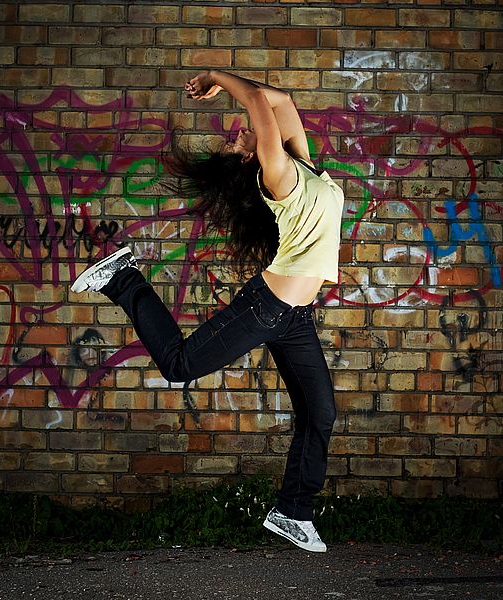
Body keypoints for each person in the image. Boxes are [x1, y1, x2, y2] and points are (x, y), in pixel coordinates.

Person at [71, 70, 344, 553]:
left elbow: (278, 100)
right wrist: (217, 74)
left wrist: (226, 81)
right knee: (178, 365)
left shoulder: (303, 166)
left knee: (320, 410)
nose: (239, 130)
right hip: (267, 308)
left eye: (242, 129)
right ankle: (122, 279)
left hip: (295, 319)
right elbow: (259, 99)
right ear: (251, 158)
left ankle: (292, 513)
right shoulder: (276, 174)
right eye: (242, 138)